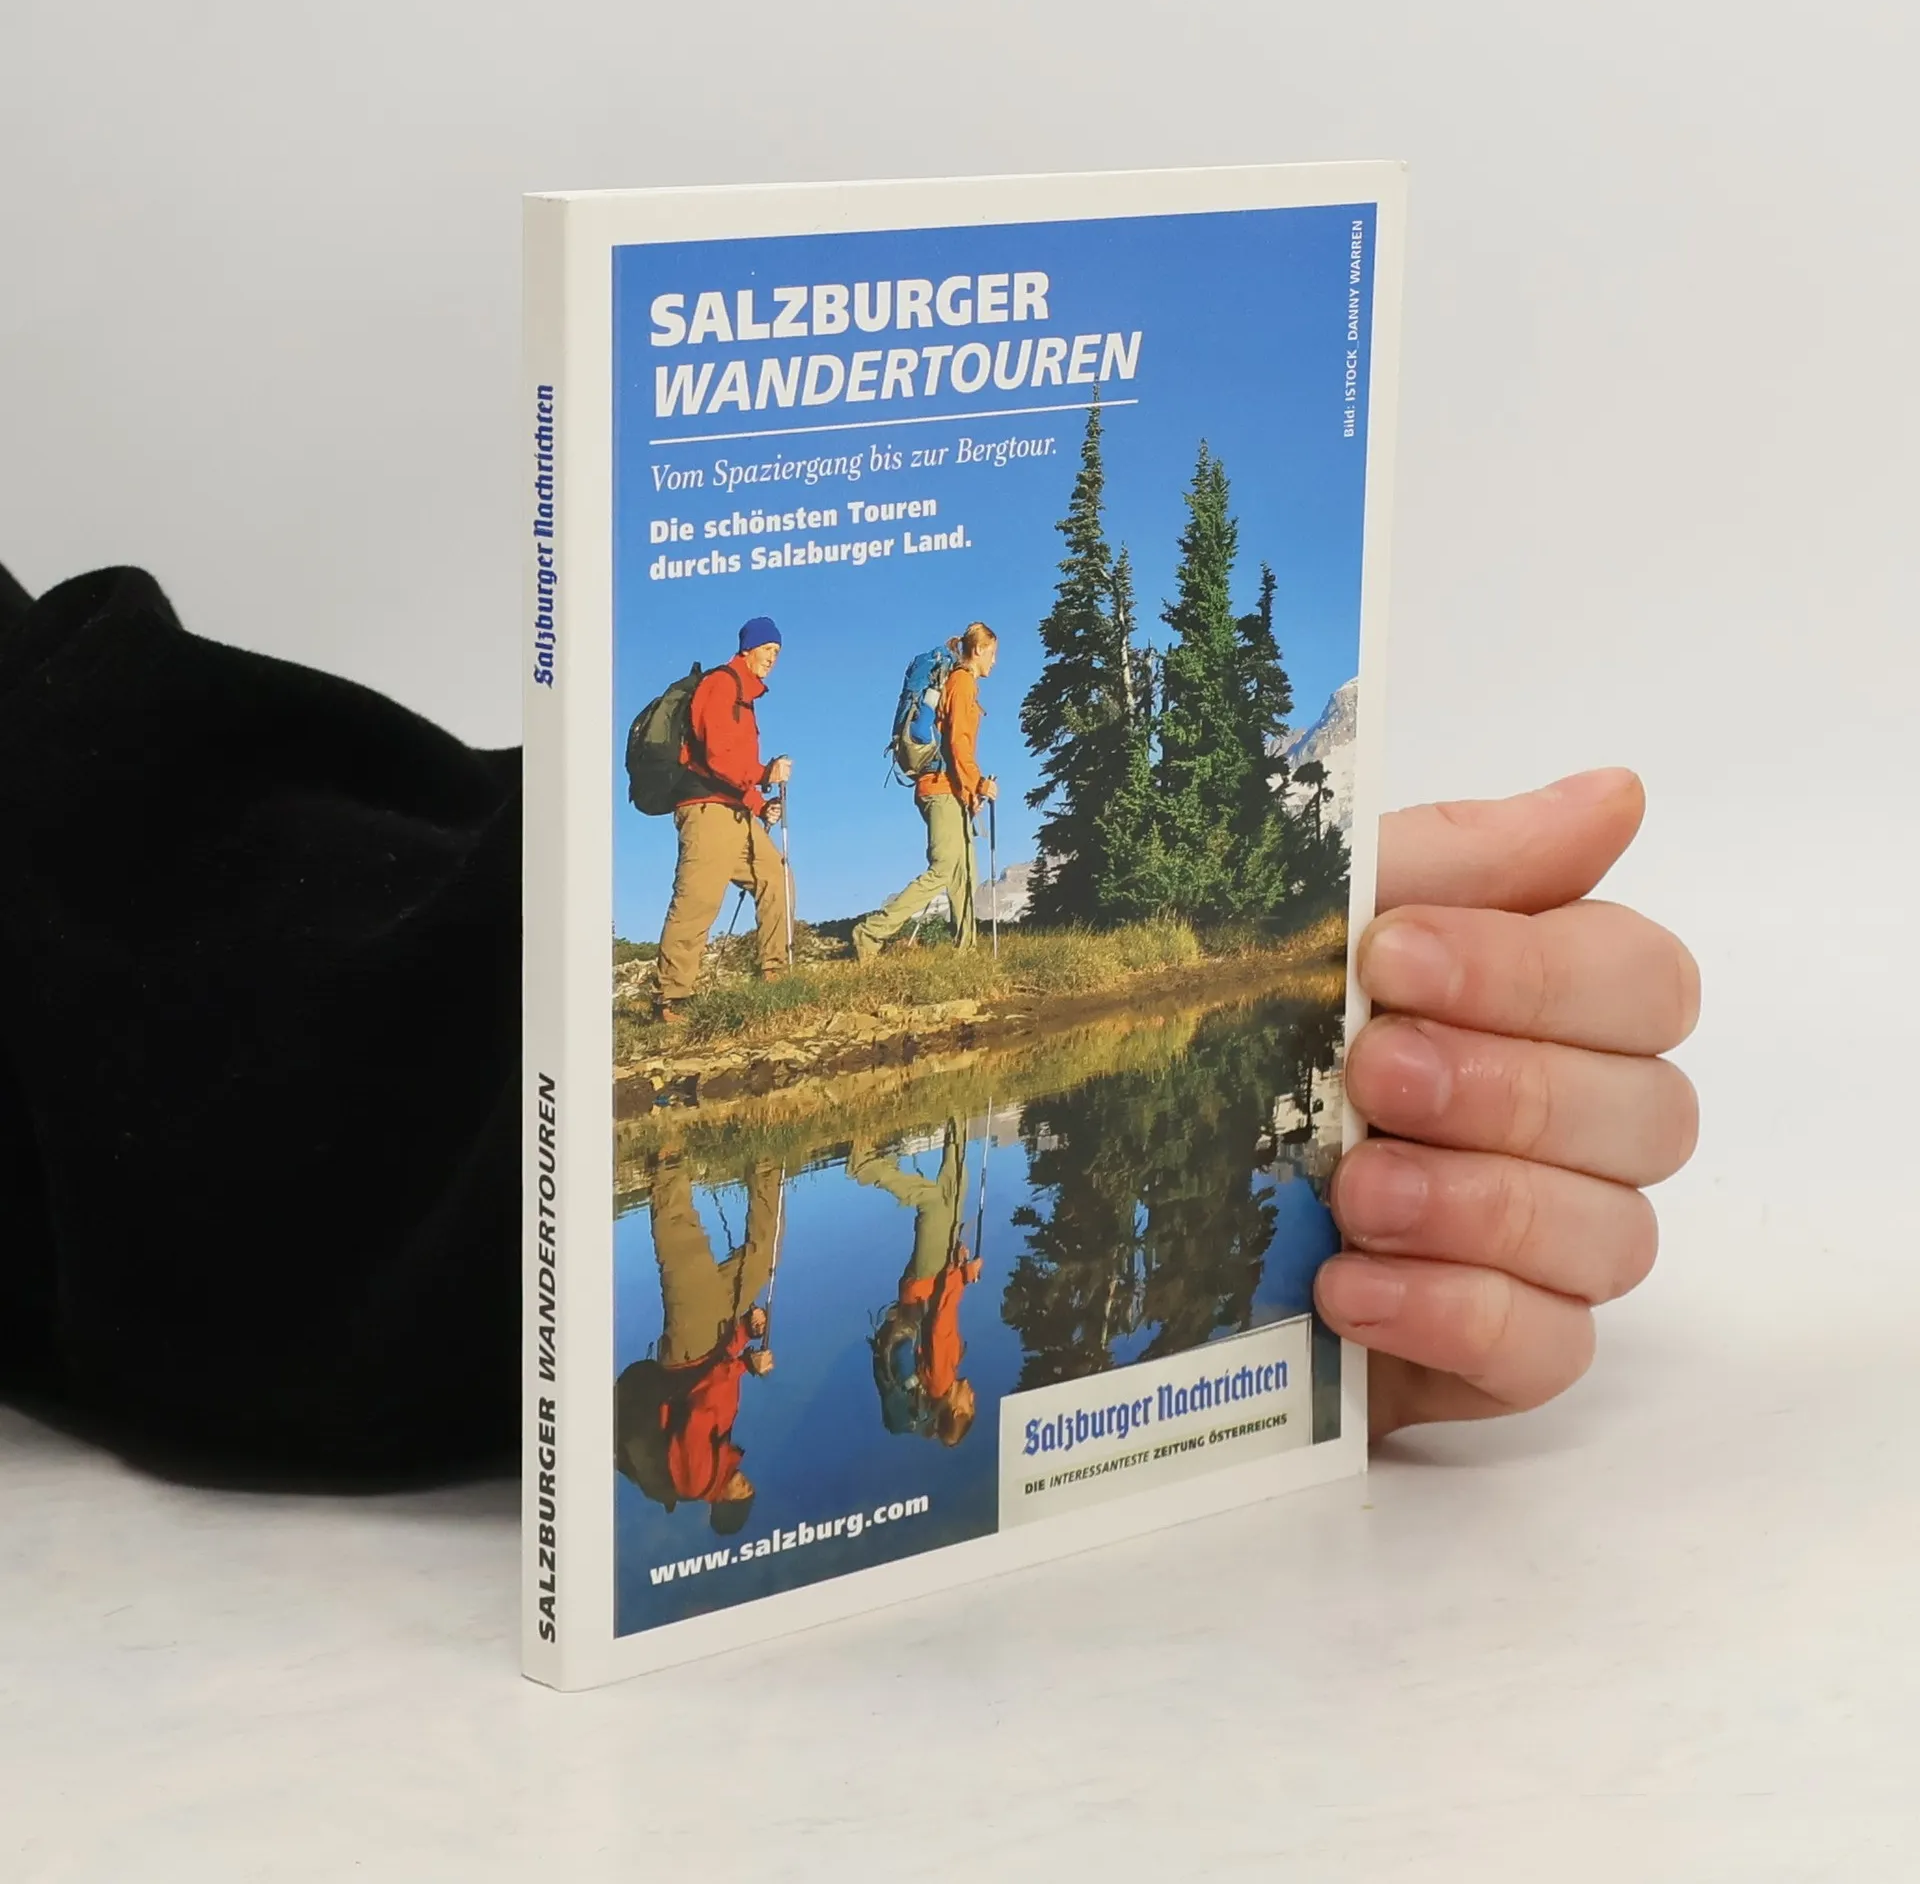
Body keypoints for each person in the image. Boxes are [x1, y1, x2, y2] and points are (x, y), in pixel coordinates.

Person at [0, 561, 1699, 1475]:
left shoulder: (838, 693)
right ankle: (794, 1031)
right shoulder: (800, 697)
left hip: (582, 1060)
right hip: (704, 887)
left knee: (853, 928)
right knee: (851, 908)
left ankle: (838, 1036)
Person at [613, 1156, 781, 1536]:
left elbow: (699, 1406)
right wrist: (745, 1332)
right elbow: (719, 1373)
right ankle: (768, 1162)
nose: (746, 1485)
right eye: (749, 1489)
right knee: (763, 1260)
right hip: (717, 1339)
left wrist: (747, 1366)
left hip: (690, 1349)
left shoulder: (697, 1480)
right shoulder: (723, 1454)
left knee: (685, 1253)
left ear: (722, 1502)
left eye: (741, 1494)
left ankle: (668, 1167)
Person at [653, 615, 794, 1023]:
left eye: (777, 651)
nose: (773, 657)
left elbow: (734, 768)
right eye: (767, 649)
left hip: (734, 810)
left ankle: (774, 973)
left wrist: (758, 804)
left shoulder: (744, 698)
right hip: (705, 809)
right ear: (748, 648)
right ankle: (670, 999)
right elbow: (717, 758)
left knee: (776, 877)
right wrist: (765, 774)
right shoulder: (721, 685)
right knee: (698, 901)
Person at [852, 621, 999, 961]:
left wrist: (969, 792)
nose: (994, 661)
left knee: (965, 873)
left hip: (949, 788)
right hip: (941, 787)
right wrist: (978, 783)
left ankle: (966, 952)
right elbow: (958, 743)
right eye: (992, 653)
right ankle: (870, 933)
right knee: (944, 868)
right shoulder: (962, 682)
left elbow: (954, 744)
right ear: (978, 650)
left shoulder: (960, 683)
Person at [850, 1122, 982, 1446]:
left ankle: (866, 1168)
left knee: (934, 1203)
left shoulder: (941, 1379)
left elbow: (941, 1318)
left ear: (956, 1410)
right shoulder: (940, 1380)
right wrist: (958, 1265)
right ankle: (957, 1118)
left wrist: (965, 1275)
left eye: (970, 1405)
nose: (974, 1397)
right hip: (930, 1282)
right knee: (955, 1192)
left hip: (926, 1282)